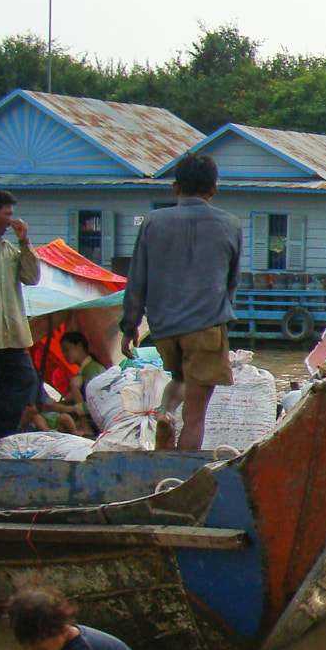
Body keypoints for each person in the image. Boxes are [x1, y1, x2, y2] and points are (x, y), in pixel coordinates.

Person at [120, 154, 242, 453]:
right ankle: (180, 475)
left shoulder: (152, 222)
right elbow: (231, 283)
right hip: (205, 327)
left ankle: (165, 414)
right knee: (196, 417)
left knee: (178, 378)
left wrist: (130, 326)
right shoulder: (230, 225)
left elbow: (137, 279)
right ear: (213, 190)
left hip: (165, 328)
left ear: (175, 188)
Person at [0, 188, 42, 454]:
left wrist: (25, 242)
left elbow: (32, 278)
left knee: (24, 381)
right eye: (6, 214)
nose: (12, 221)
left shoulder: (9, 249)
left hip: (11, 338)